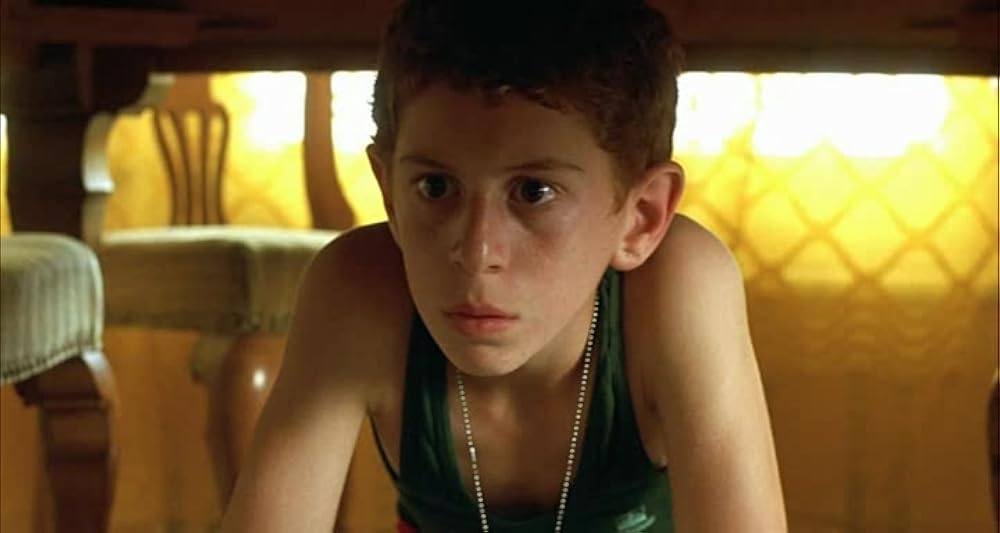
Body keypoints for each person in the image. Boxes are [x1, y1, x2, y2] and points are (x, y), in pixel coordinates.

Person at [222, 0, 787, 531]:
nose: (476, 252)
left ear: (641, 217)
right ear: (390, 194)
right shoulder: (358, 291)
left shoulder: (677, 285)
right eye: (435, 186)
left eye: (534, 191)